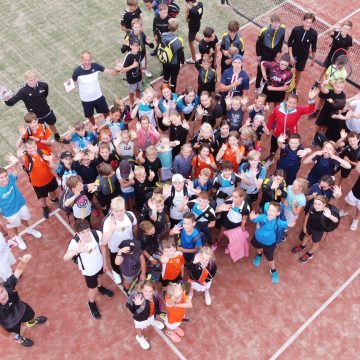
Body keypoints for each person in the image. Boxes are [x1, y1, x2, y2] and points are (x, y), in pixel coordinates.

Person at [64, 219, 114, 319]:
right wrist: (77, 250)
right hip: (89, 270)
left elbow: (103, 246)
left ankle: (101, 288)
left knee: (99, 277)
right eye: (82, 233)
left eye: (87, 230)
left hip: (99, 263)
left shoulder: (96, 234)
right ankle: (91, 303)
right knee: (93, 288)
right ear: (77, 233)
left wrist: (104, 262)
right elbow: (65, 257)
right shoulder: (75, 242)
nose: (86, 234)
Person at [4, 69, 68, 143]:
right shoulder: (22, 91)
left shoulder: (44, 85)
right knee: (39, 131)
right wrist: (6, 99)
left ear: (37, 78)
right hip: (36, 118)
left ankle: (57, 137)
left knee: (52, 124)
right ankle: (44, 143)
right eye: (31, 80)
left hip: (47, 112)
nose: (33, 82)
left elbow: (45, 95)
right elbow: (11, 103)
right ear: (26, 80)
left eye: (34, 79)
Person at [0, 254, 47, 347]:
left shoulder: (8, 286)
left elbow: (18, 271)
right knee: (16, 335)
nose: (1, 297)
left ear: (3, 286)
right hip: (11, 324)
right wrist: (9, 335)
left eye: (1, 291)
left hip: (22, 309)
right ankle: (20, 339)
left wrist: (24, 262)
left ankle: (31, 322)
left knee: (30, 317)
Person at [266, 88, 319, 159]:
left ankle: (282, 162)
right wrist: (268, 130)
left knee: (285, 152)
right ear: (286, 101)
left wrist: (311, 98)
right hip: (276, 134)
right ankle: (270, 159)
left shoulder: (299, 110)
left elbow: (310, 109)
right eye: (290, 102)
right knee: (273, 149)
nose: (291, 105)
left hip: (290, 136)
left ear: (297, 103)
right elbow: (271, 119)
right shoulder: (278, 108)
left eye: (294, 103)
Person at [71, 51, 120, 126]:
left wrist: (117, 70)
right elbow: (73, 82)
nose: (87, 62)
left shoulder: (96, 66)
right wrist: (71, 89)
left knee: (106, 112)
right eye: (85, 60)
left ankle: (109, 124)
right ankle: (94, 126)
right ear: (81, 60)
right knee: (89, 115)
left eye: (89, 60)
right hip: (86, 99)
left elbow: (110, 73)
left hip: (98, 96)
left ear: (91, 59)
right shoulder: (77, 71)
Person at [0, 167, 42, 250]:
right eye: (1, 177)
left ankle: (28, 229)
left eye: (5, 176)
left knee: (24, 218)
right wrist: (2, 217)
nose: (5, 179)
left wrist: (15, 163)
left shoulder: (11, 179)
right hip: (10, 212)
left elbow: (15, 172)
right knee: (14, 225)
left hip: (20, 205)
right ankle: (17, 237)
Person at [250, 202, 292, 284]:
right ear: (266, 210)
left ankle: (273, 270)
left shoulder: (278, 222)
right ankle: (259, 255)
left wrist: (289, 224)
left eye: (273, 211)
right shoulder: (263, 217)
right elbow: (255, 220)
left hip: (269, 243)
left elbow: (285, 224)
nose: (270, 212)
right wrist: (252, 218)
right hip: (258, 238)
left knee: (270, 258)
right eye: (269, 210)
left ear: (278, 213)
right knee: (258, 247)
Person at [15, 139, 58, 219]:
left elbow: (52, 166)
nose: (32, 149)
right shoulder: (26, 157)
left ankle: (54, 200)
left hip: (50, 178)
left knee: (52, 190)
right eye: (30, 148)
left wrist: (50, 160)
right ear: (27, 149)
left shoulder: (43, 152)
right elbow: (22, 161)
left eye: (33, 147)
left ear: (36, 145)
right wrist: (19, 156)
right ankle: (45, 207)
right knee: (42, 197)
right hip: (38, 184)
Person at [291, 195, 339, 263]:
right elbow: (307, 215)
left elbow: (336, 220)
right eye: (315, 203)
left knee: (315, 242)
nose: (316, 206)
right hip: (310, 226)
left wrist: (330, 216)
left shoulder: (327, 213)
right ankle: (302, 246)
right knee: (307, 235)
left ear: (324, 204)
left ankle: (309, 254)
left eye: (319, 204)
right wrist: (304, 226)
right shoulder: (312, 207)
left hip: (318, 230)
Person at [101, 197, 138, 285]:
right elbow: (104, 242)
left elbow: (135, 227)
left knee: (129, 259)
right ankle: (116, 272)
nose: (119, 213)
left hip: (129, 244)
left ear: (124, 208)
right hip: (115, 247)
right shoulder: (107, 222)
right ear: (112, 211)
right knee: (115, 261)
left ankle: (132, 270)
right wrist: (111, 230)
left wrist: (135, 239)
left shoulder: (130, 215)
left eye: (121, 210)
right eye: (116, 211)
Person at [126, 280, 164, 350]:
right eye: (145, 291)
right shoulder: (139, 299)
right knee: (138, 327)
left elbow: (157, 304)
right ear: (142, 290)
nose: (148, 293)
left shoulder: (154, 295)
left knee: (152, 318)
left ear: (153, 291)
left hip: (151, 315)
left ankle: (153, 322)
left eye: (150, 291)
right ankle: (139, 337)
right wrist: (137, 305)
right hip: (141, 318)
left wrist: (158, 311)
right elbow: (135, 311)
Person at [287, 13, 318, 90]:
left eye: (310, 23)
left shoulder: (314, 34)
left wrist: (313, 59)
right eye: (306, 22)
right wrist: (291, 57)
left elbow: (314, 47)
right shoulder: (296, 29)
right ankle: (285, 85)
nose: (308, 24)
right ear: (303, 21)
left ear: (312, 23)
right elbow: (289, 42)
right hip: (292, 54)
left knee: (298, 72)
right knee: (288, 70)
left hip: (303, 57)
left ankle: (294, 88)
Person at [255, 14, 285, 91]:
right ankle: (257, 86)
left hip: (274, 53)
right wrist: (258, 55)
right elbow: (258, 43)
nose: (277, 24)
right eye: (275, 23)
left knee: (270, 70)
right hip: (265, 52)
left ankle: (264, 83)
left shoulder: (282, 29)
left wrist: (279, 51)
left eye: (278, 23)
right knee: (261, 70)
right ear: (271, 22)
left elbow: (281, 40)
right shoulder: (264, 30)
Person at [160, 18, 185, 92]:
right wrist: (182, 62)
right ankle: (173, 92)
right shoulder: (179, 40)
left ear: (168, 26)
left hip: (165, 61)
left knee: (166, 77)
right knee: (174, 78)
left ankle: (165, 90)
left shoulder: (163, 35)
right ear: (177, 27)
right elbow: (180, 53)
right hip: (175, 63)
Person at [120, 39, 143, 106]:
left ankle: (139, 104)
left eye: (138, 46)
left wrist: (141, 75)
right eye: (134, 46)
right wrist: (132, 66)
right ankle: (133, 105)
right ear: (131, 46)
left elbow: (139, 64)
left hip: (139, 78)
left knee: (138, 90)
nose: (136, 47)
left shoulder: (139, 53)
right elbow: (122, 70)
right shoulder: (128, 56)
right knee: (131, 93)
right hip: (132, 80)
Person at [339, 162, 360, 231]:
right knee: (350, 203)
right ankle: (344, 211)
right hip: (357, 190)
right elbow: (358, 168)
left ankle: (356, 220)